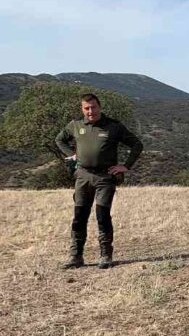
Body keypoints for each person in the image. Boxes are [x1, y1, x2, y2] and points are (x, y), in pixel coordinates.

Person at [56, 93, 143, 269]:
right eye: (86, 108)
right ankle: (76, 256)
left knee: (102, 215)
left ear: (100, 107)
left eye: (93, 107)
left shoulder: (113, 126)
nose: (90, 111)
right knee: (79, 215)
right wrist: (71, 155)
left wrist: (125, 165)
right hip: (82, 176)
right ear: (82, 109)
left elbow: (137, 144)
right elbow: (59, 140)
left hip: (105, 177)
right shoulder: (75, 125)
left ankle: (105, 256)